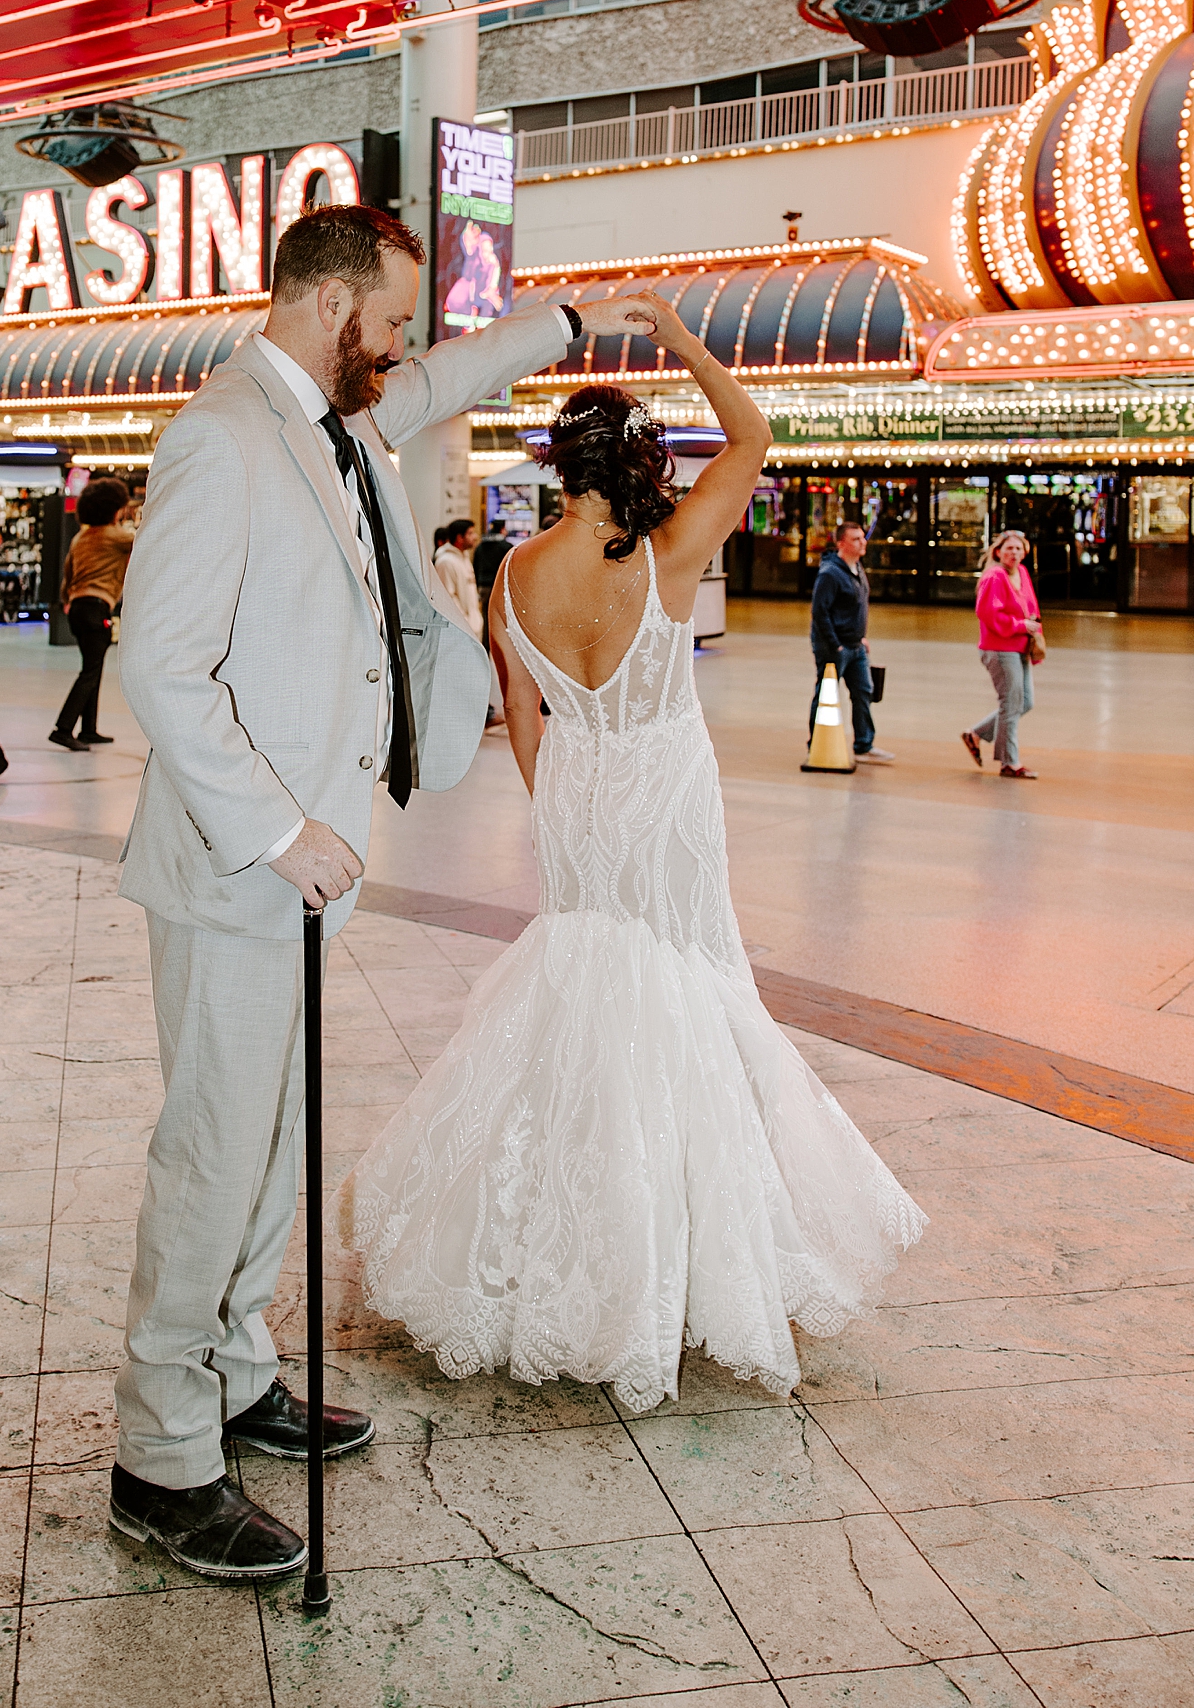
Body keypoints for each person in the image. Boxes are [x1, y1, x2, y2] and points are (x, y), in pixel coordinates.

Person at [108, 202, 656, 1584]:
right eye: (393, 320)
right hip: (246, 866)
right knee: (214, 1152)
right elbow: (163, 665)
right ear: (326, 301)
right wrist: (279, 825)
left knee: (274, 1143)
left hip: (302, 875)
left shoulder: (339, 417)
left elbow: (445, 381)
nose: (404, 347)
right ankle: (160, 1454)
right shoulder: (221, 436)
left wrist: (573, 328)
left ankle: (236, 1374)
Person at [341, 304, 925, 1413]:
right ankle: (681, 1257)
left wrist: (559, 794)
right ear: (641, 461)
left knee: (582, 986)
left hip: (575, 792)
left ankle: (537, 1248)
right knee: (691, 988)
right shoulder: (667, 550)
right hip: (663, 789)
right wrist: (685, 344)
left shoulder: (516, 570)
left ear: (559, 466)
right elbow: (751, 437)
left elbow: (520, 708)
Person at [50, 477, 136, 751]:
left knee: (92, 667)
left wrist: (68, 600)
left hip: (77, 608)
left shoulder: (80, 537)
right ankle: (63, 728)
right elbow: (147, 539)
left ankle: (88, 729)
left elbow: (67, 579)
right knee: (90, 670)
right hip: (97, 607)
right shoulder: (115, 535)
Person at [809, 519, 893, 764]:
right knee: (825, 694)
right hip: (835, 647)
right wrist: (836, 644)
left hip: (856, 646)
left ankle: (864, 745)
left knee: (863, 691)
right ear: (841, 543)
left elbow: (856, 608)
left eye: (862, 537)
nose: (862, 542)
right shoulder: (830, 573)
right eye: (856, 539)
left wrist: (861, 637)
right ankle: (816, 744)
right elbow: (820, 612)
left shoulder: (857, 568)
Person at [964, 529, 1042, 779]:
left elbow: (1031, 607)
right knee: (1010, 703)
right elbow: (987, 613)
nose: (1014, 553)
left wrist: (1034, 635)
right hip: (999, 648)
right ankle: (1009, 763)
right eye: (1009, 548)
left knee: (1024, 702)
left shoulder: (1022, 573)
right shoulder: (995, 577)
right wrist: (1020, 626)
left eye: (1019, 549)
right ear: (998, 552)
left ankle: (976, 734)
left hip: (1020, 646)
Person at [473, 514, 512, 727]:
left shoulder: (480, 546)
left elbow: (475, 564)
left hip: (481, 587)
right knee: (496, 621)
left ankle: (486, 646)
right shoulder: (505, 547)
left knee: (484, 619)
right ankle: (494, 647)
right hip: (498, 588)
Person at [433, 517, 482, 639]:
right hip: (460, 628)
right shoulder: (445, 561)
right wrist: (464, 622)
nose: (475, 537)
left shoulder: (463, 557)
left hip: (472, 625)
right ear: (459, 538)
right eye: (470, 533)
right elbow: (448, 597)